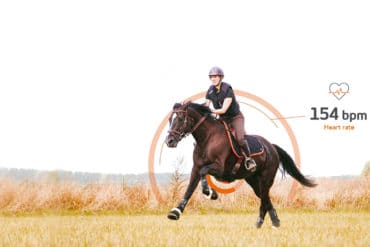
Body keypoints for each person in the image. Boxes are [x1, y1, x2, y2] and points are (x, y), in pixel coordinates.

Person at [204, 66, 256, 172]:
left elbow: (223, 110)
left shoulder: (227, 89)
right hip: (223, 119)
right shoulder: (210, 90)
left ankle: (249, 159)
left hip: (235, 118)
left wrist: (210, 111)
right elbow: (206, 104)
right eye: (211, 77)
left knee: (240, 139)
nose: (213, 79)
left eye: (215, 76)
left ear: (221, 77)